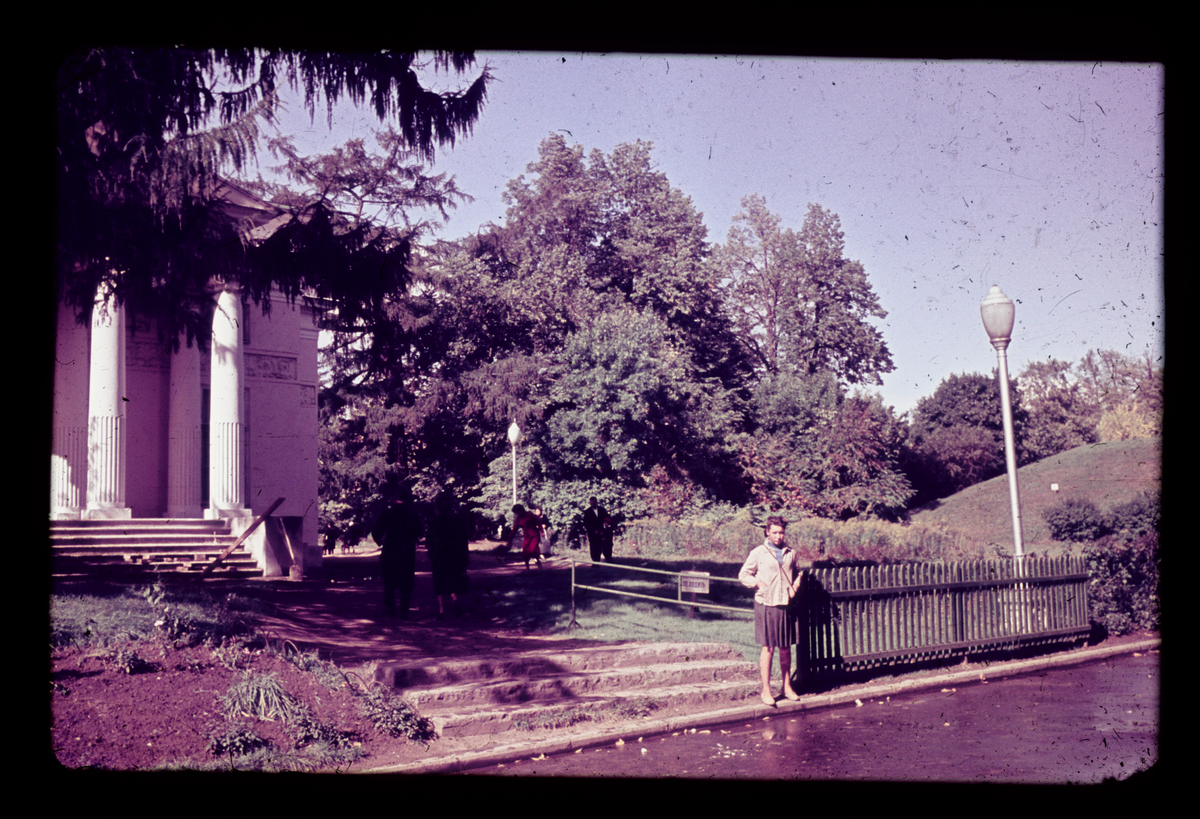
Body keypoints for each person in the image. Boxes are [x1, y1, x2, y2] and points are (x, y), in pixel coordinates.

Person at [738, 516, 803, 707]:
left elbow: (798, 572)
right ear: (767, 531)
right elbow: (743, 574)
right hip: (766, 604)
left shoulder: (791, 552)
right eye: (774, 532)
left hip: (785, 604)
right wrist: (757, 583)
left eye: (781, 532)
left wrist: (794, 588)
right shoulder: (759, 552)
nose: (778, 536)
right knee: (769, 648)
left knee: (785, 647)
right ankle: (766, 690)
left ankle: (787, 687)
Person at [370, 486, 423, 619]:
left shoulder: (387, 513)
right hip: (407, 550)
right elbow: (420, 532)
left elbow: (376, 532)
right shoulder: (413, 514)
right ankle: (404, 610)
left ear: (394, 499)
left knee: (389, 581)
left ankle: (390, 608)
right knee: (406, 582)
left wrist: (381, 542)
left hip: (390, 550)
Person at [426, 492, 470, 620]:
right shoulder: (456, 521)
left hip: (439, 555)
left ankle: (441, 610)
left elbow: (429, 540)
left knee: (439, 582)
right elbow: (463, 540)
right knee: (453, 579)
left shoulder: (434, 522)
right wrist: (464, 557)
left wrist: (431, 553)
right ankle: (455, 599)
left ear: (437, 507)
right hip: (454, 555)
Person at [582, 496, 613, 563]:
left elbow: (606, 519)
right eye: (591, 503)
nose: (592, 505)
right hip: (593, 533)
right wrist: (593, 531)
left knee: (606, 546)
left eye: (594, 503)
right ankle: (595, 562)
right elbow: (586, 523)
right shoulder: (587, 512)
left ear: (596, 502)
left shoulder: (602, 509)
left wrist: (603, 529)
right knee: (594, 547)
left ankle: (608, 559)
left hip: (602, 531)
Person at [513, 503, 544, 570]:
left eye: (518, 512)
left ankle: (538, 562)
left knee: (533, 550)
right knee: (525, 552)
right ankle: (527, 569)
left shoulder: (529, 514)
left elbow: (538, 522)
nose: (518, 514)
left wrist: (542, 531)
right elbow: (514, 530)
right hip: (526, 537)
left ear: (521, 510)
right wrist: (509, 541)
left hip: (534, 535)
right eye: (516, 513)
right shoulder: (518, 519)